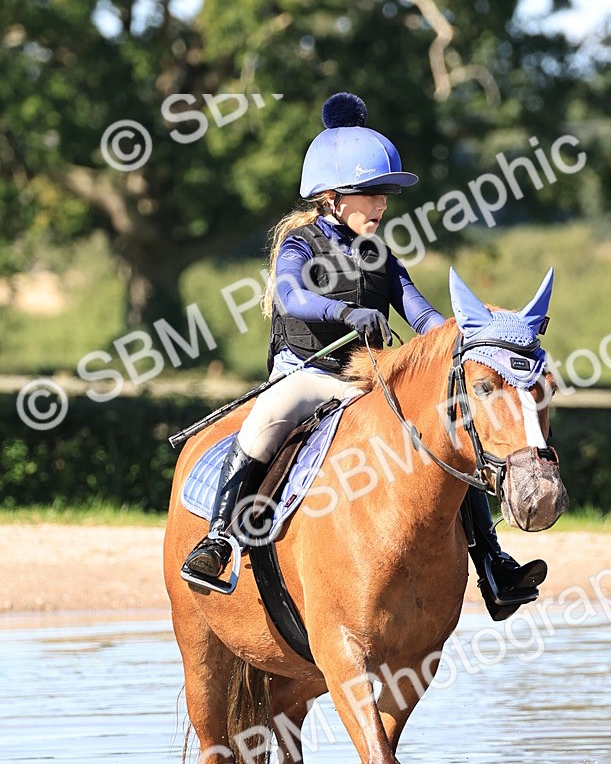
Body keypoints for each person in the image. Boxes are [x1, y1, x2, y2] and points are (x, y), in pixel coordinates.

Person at [181, 91, 546, 619]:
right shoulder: (299, 244)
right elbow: (290, 295)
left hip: (366, 382)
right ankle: (218, 540)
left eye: (384, 195)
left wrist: (472, 337)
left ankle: (492, 563)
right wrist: (343, 314)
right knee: (265, 418)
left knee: (447, 438)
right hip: (305, 374)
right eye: (370, 195)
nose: (381, 205)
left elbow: (422, 318)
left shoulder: (381, 254)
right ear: (331, 196)